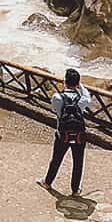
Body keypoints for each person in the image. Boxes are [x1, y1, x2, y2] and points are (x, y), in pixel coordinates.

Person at [37, 67, 91, 197]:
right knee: (78, 162)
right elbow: (88, 97)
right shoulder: (83, 99)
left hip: (62, 134)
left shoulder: (57, 97)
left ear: (65, 82)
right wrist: (80, 85)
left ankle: (47, 182)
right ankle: (75, 189)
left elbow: (55, 111)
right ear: (77, 83)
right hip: (79, 135)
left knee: (56, 159)